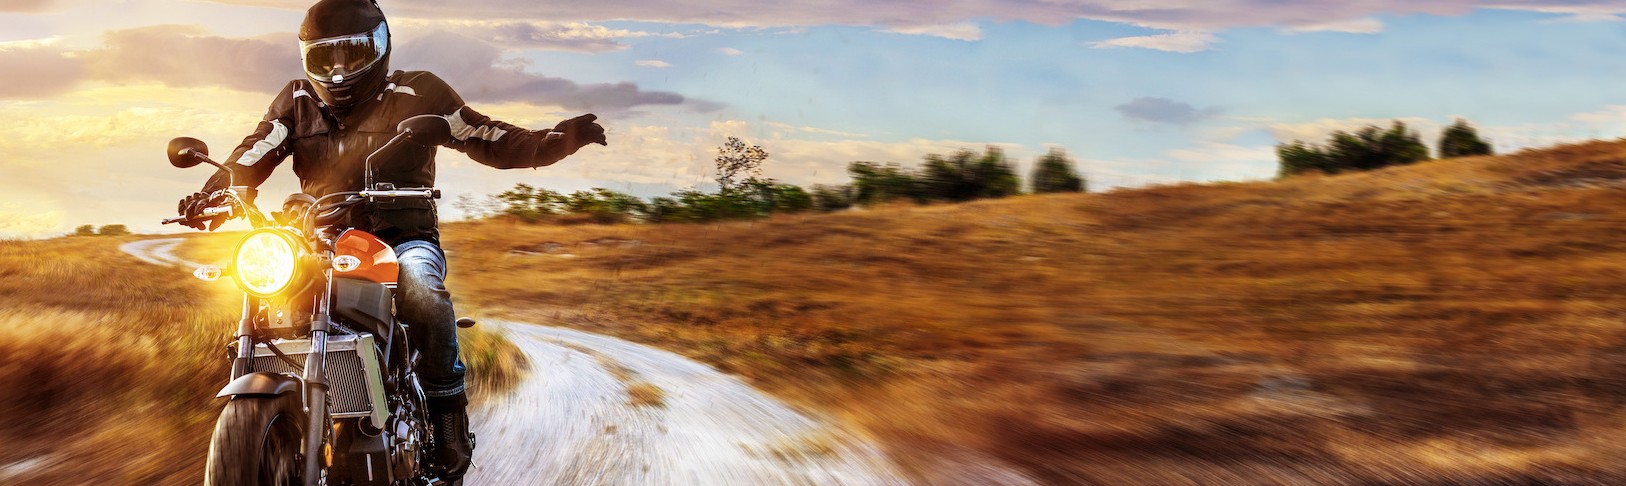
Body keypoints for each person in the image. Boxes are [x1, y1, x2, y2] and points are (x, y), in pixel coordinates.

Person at [174, 0, 606, 480]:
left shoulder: (419, 90)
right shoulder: (297, 99)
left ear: (379, 48)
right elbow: (255, 149)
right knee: (257, 284)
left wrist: (553, 141)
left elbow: (487, 135)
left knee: (420, 285)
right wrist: (216, 191)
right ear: (307, 59)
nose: (338, 72)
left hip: (403, 236)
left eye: (352, 54)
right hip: (321, 242)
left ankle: (447, 418)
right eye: (325, 58)